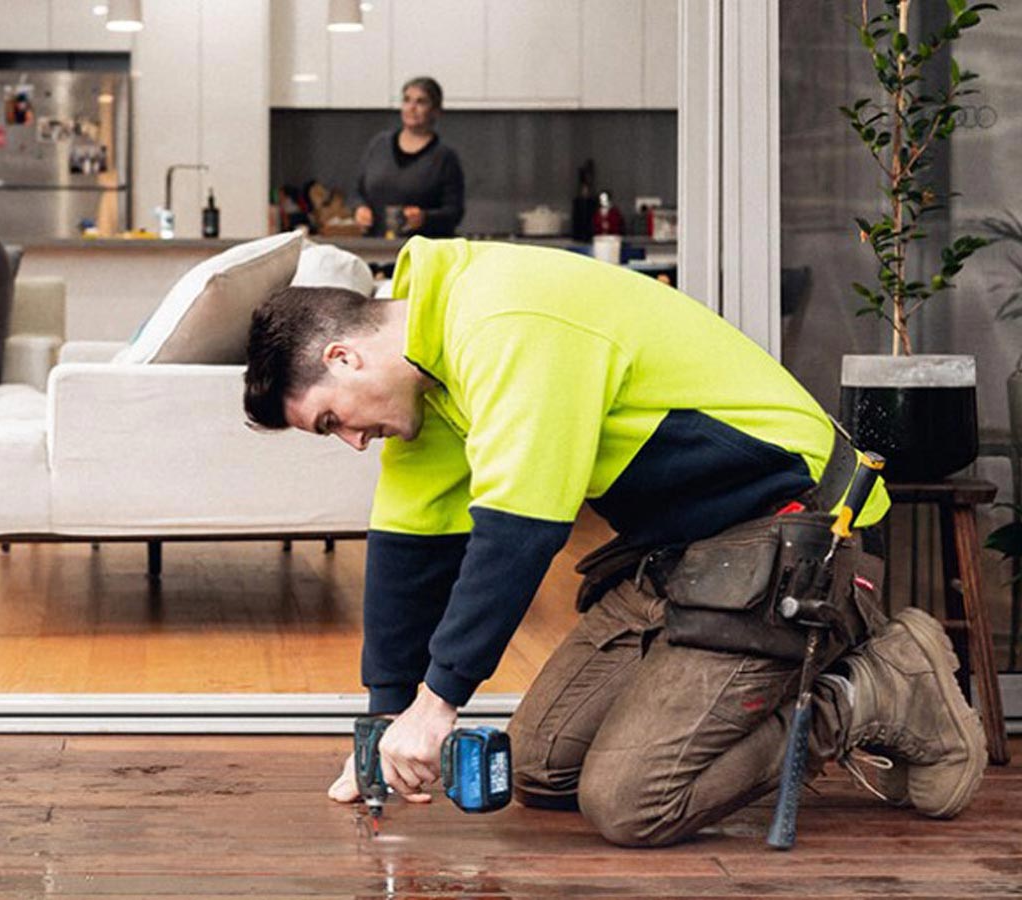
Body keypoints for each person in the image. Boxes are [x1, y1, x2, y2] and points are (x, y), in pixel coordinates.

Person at [242, 237, 986, 847]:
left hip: (795, 529)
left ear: (344, 358)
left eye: (331, 421)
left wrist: (436, 708)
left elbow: (517, 534)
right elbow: (410, 547)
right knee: (538, 768)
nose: (351, 442)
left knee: (631, 802)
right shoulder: (430, 378)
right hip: (686, 554)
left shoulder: (503, 322)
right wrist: (383, 723)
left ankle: (871, 688)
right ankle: (710, 683)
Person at [352, 77, 465, 239]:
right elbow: (357, 192)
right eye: (407, 100)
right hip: (376, 248)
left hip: (423, 253)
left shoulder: (445, 157)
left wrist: (425, 218)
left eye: (421, 102)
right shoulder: (379, 145)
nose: (412, 108)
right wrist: (359, 209)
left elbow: (454, 212)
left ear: (435, 110)